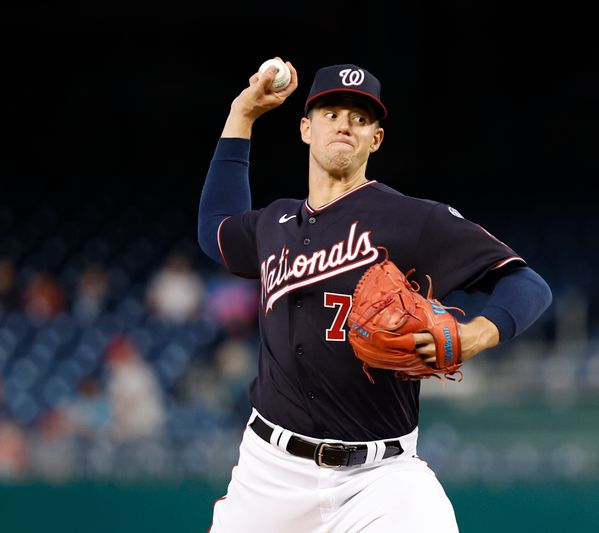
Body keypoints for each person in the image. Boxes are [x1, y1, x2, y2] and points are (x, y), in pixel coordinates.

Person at [197, 58, 552, 532]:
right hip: (268, 474)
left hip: (379, 478)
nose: (345, 125)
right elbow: (213, 229)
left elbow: (528, 284)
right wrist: (242, 114)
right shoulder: (272, 223)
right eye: (331, 114)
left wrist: (478, 334)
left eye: (360, 119)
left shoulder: (412, 219)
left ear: (376, 139)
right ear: (305, 129)